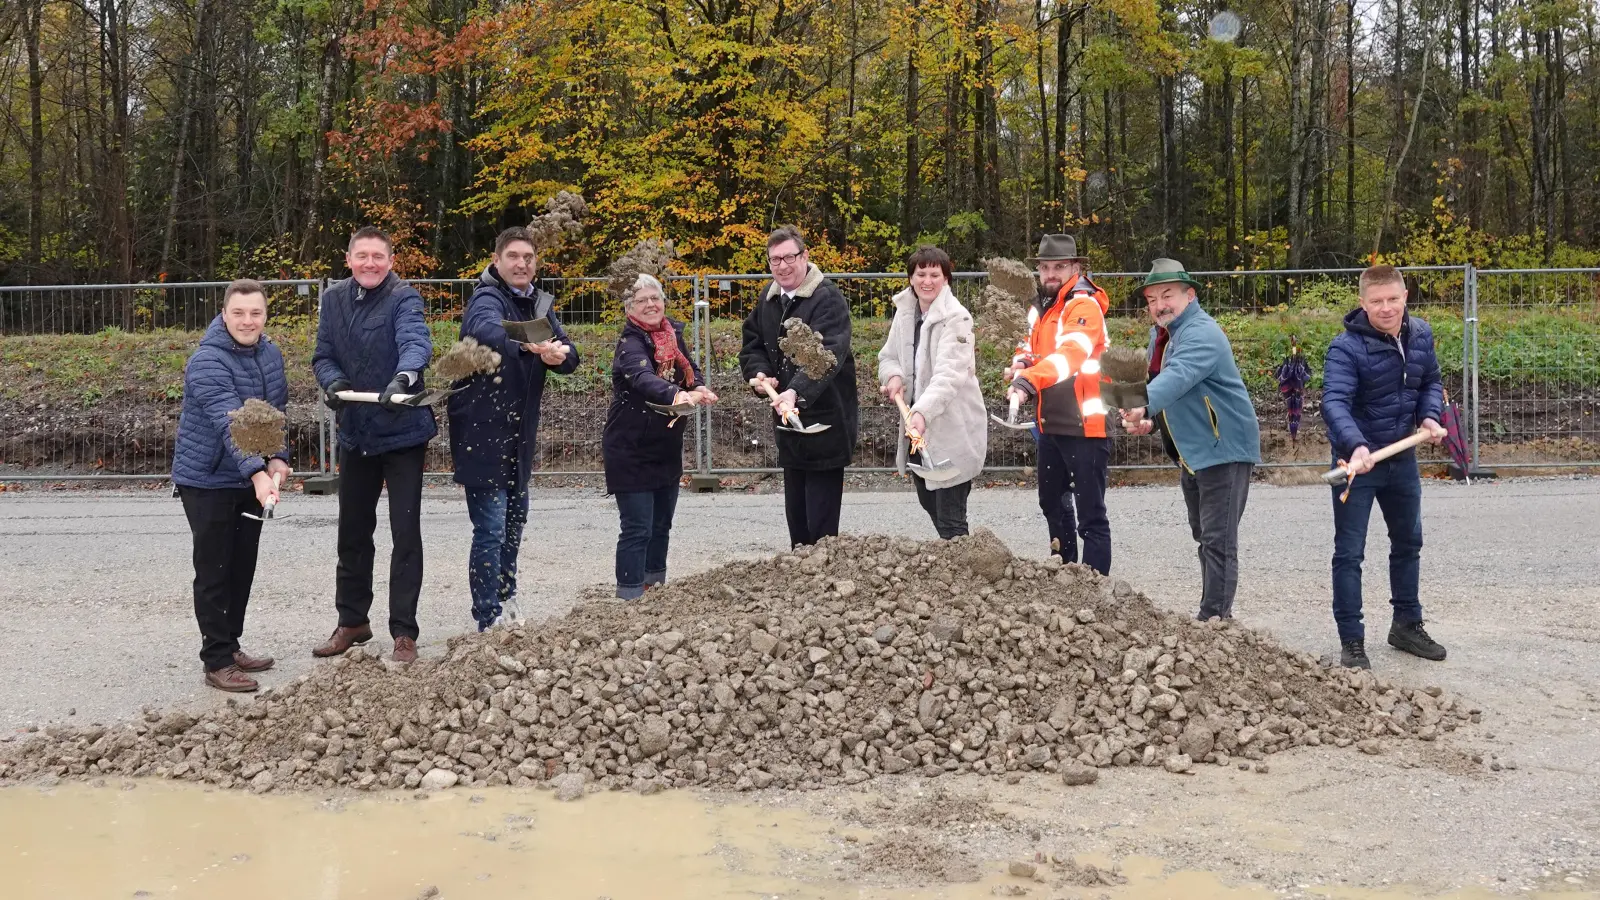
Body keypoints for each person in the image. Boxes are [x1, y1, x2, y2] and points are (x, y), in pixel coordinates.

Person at [312, 226, 436, 663]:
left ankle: (404, 630)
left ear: (390, 260)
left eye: (377, 257)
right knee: (353, 530)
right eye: (361, 256)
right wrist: (334, 382)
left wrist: (405, 377)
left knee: (405, 533)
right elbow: (323, 354)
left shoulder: (404, 298)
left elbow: (415, 341)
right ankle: (352, 621)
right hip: (357, 430)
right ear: (348, 259)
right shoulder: (333, 299)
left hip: (402, 431)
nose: (369, 263)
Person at [447, 226, 580, 630]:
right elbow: (485, 330)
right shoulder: (487, 297)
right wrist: (529, 345)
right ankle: (486, 617)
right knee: (490, 528)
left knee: (514, 522)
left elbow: (569, 352)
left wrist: (560, 355)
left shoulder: (538, 301)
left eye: (528, 258)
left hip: (519, 432)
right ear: (497, 260)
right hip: (481, 429)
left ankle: (506, 597)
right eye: (513, 257)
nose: (521, 264)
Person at [1321, 264, 1449, 669]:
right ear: (1363, 303)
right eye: (1377, 301)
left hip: (1402, 459)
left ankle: (1406, 625)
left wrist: (1429, 417)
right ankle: (1352, 640)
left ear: (1405, 296)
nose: (1386, 308)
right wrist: (1356, 444)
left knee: (1409, 543)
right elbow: (1334, 403)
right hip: (1357, 464)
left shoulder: (1421, 334)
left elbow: (1430, 381)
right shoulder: (1345, 348)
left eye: (1393, 299)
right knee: (1349, 553)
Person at [1120, 258, 1261, 621]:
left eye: (1167, 295)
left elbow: (1178, 378)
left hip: (1223, 449)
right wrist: (1147, 422)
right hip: (1194, 453)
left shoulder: (1201, 333)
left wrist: (1142, 407)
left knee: (1218, 540)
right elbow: (1170, 393)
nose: (1159, 305)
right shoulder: (1162, 335)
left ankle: (1213, 620)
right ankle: (1215, 615)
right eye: (1151, 299)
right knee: (1205, 536)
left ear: (1190, 295)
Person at [171, 279, 290, 692]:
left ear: (265, 315)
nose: (247, 320)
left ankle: (231, 643)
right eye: (239, 312)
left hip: (249, 476)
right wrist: (258, 473)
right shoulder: (207, 361)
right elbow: (229, 421)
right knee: (214, 569)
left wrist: (278, 458)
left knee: (241, 566)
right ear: (224, 314)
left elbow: (275, 413)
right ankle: (216, 659)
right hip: (207, 480)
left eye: (255, 312)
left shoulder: (270, 354)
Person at [739, 226, 860, 547]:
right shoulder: (770, 299)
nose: (782, 266)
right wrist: (762, 375)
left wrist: (795, 391)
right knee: (797, 518)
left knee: (820, 526)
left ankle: (822, 579)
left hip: (826, 423)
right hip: (789, 427)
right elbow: (753, 346)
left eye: (789, 257)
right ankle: (800, 575)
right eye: (774, 260)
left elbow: (829, 355)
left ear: (805, 256)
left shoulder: (827, 299)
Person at [603, 273, 717, 598]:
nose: (651, 305)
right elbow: (643, 377)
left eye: (655, 298)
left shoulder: (671, 335)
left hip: (665, 446)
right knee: (637, 528)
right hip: (630, 448)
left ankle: (655, 590)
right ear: (630, 308)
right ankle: (630, 596)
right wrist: (677, 395)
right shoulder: (631, 344)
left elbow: (687, 367)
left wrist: (696, 386)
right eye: (642, 300)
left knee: (661, 526)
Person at [1005, 233, 1113, 572]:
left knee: (1090, 515)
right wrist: (1021, 363)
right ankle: (1065, 571)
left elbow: (1071, 356)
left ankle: (1095, 587)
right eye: (1045, 267)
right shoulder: (1041, 306)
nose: (1050, 274)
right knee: (1051, 502)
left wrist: (1027, 382)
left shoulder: (1083, 305)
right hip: (1050, 421)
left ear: (1076, 268)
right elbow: (1029, 347)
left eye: (1059, 267)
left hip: (1086, 424)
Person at [877, 246, 987, 538]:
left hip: (951, 428)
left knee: (951, 517)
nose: (927, 280)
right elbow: (888, 357)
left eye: (935, 274)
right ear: (911, 279)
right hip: (916, 428)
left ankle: (962, 571)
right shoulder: (905, 314)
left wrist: (922, 413)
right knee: (928, 500)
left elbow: (950, 375)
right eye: (920, 273)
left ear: (946, 279)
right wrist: (894, 376)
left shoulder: (958, 319)